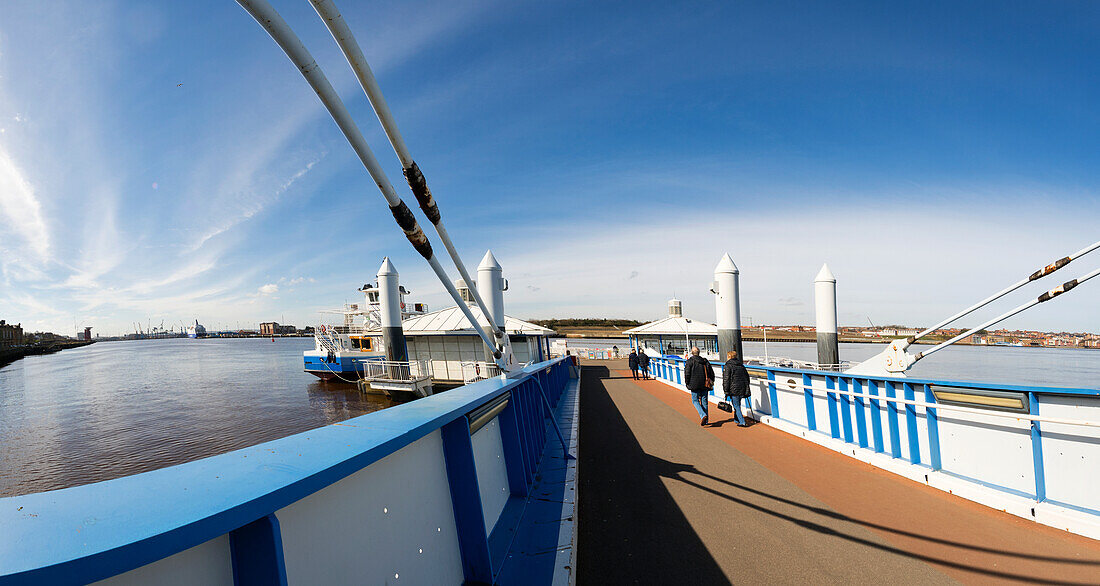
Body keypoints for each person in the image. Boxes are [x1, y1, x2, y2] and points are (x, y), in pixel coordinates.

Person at [684, 347, 715, 425]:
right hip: (705, 384)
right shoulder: (705, 361)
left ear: (692, 352)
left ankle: (703, 415)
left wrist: (687, 383)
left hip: (694, 384)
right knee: (704, 402)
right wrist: (712, 381)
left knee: (695, 401)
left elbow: (687, 373)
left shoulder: (689, 361)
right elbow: (711, 372)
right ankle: (706, 420)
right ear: (699, 352)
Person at [722, 349, 751, 427]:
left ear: (729, 356)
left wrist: (726, 390)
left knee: (736, 406)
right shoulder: (741, 366)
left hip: (733, 389)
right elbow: (747, 377)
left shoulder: (728, 365)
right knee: (738, 404)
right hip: (742, 388)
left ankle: (742, 422)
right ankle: (736, 419)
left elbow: (726, 379)